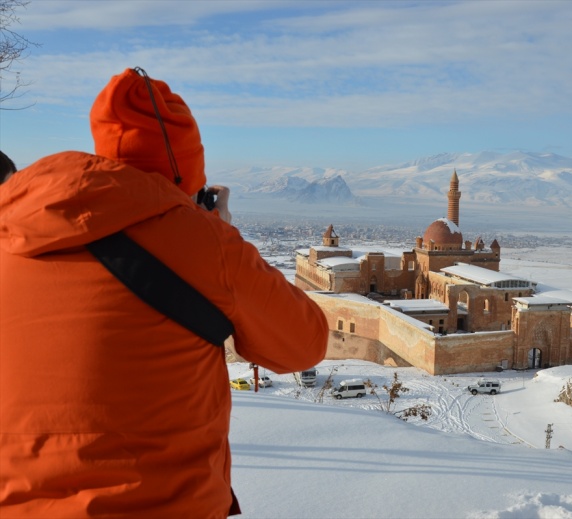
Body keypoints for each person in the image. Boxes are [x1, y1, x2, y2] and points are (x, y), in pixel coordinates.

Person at [0, 68, 329, 518]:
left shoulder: (12, 229)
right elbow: (304, 344)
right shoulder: (203, 243)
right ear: (184, 169)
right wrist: (215, 232)